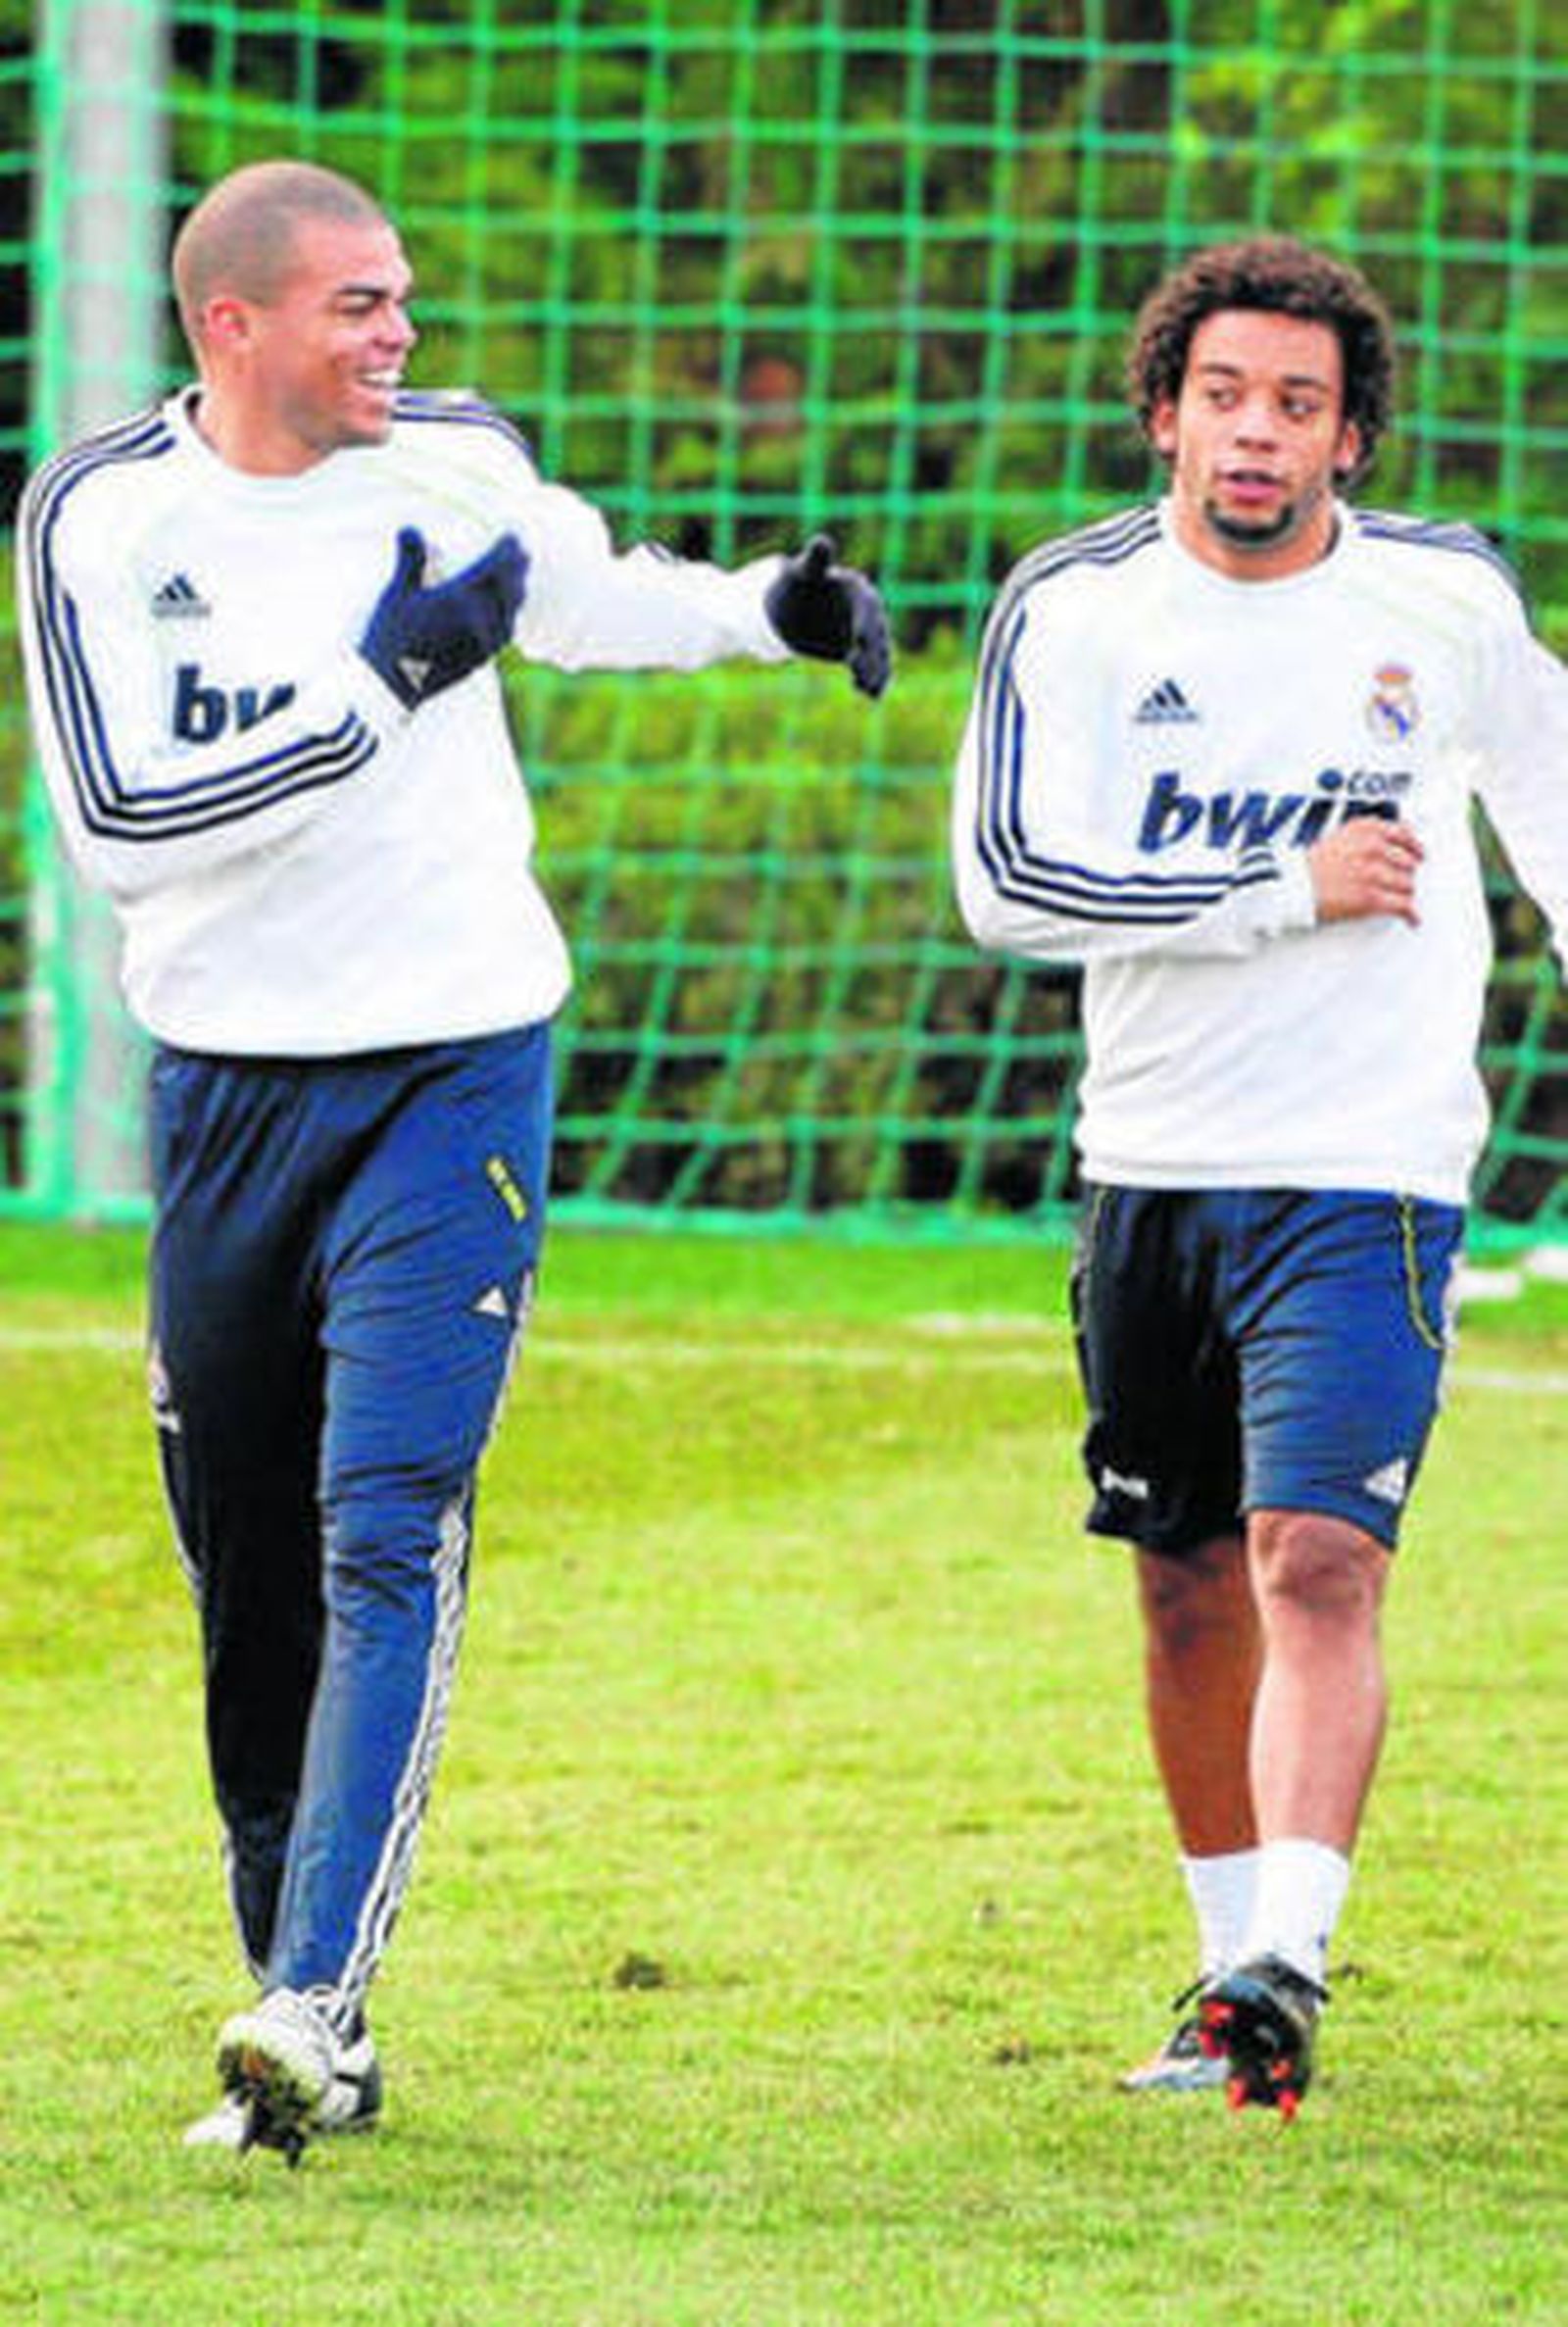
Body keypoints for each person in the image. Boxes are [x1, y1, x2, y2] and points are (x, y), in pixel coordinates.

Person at [19, 157, 891, 2163]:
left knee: (381, 1514)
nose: (397, 334)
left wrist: (767, 610)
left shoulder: (457, 455)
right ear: (229, 326)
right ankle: (290, 1969)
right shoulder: (100, 513)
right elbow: (121, 828)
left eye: (402, 299)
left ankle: (316, 1996)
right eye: (356, 306)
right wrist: (367, 693)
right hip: (229, 1094)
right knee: (246, 1576)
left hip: (457, 1070)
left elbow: (581, 591)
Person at [952, 235, 1568, 2116]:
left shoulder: (1443, 602)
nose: (1256, 431)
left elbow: (1556, 807)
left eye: (1299, 404)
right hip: (1151, 1161)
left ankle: (1284, 1960)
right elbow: (1005, 886)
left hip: (1367, 1166)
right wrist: (1273, 892)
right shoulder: (1070, 610)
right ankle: (1225, 1984)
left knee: (1320, 1556)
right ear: (1164, 412)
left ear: (1350, 441)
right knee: (1187, 1581)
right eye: (1225, 394)